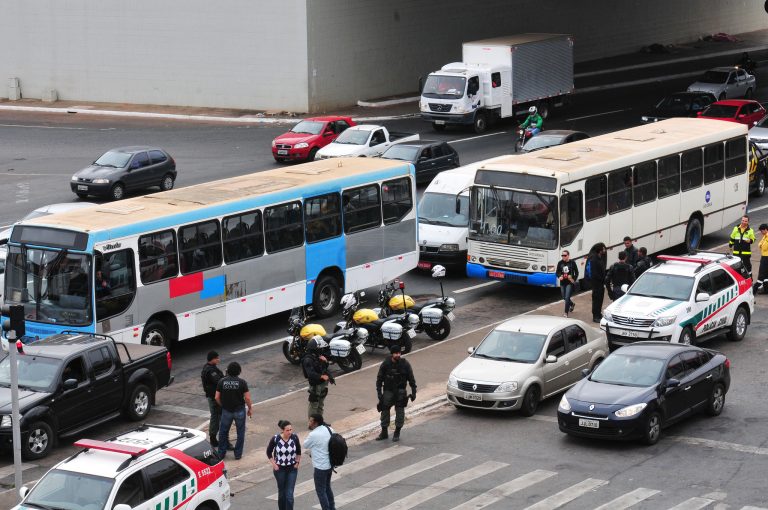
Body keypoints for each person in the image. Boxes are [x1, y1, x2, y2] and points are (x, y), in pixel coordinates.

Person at [376, 345, 417, 442]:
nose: (398, 355)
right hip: (388, 391)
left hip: (400, 391)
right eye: (396, 353)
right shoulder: (386, 364)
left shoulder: (405, 364)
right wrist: (379, 393)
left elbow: (411, 379)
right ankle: (384, 432)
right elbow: (379, 379)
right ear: (392, 354)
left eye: (399, 353)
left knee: (400, 412)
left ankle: (397, 432)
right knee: (384, 410)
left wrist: (414, 392)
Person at [215, 361, 252, 460]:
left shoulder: (221, 382)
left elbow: (216, 397)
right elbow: (247, 398)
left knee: (223, 432)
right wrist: (250, 409)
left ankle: (221, 453)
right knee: (240, 432)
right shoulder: (242, 382)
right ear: (239, 371)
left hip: (227, 410)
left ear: (228, 371)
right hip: (239, 410)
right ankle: (238, 454)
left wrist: (223, 405)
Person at [267, 420, 302, 510]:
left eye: (291, 429)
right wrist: (274, 464)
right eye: (287, 430)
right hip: (280, 469)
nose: (290, 432)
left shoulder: (294, 437)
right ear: (282, 430)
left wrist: (297, 463)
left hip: (292, 469)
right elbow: (268, 452)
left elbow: (298, 451)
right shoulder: (276, 438)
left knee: (289, 494)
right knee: (282, 493)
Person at [304, 414, 335, 510]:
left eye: (310, 421)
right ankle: (332, 508)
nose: (309, 422)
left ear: (315, 423)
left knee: (321, 491)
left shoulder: (313, 434)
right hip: (330, 465)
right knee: (327, 488)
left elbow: (305, 445)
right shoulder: (330, 429)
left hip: (320, 467)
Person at [302, 337, 334, 419]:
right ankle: (312, 423)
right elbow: (310, 373)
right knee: (314, 404)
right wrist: (321, 376)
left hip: (322, 384)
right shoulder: (308, 359)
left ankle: (320, 421)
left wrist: (325, 361)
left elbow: (323, 368)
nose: (320, 350)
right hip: (315, 385)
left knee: (320, 404)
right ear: (314, 349)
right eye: (318, 348)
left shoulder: (317, 356)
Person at [201, 351, 226, 448]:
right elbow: (219, 381)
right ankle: (213, 438)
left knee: (216, 417)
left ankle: (214, 437)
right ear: (213, 359)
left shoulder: (209, 368)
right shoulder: (210, 370)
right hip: (214, 398)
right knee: (215, 418)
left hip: (213, 397)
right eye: (217, 358)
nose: (218, 360)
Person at [555, 250, 578, 317]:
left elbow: (576, 272)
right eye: (562, 255)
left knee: (567, 297)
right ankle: (572, 304)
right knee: (564, 297)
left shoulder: (572, 263)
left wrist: (573, 278)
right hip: (562, 282)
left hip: (569, 283)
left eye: (565, 255)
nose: (563, 257)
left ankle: (566, 313)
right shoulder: (560, 263)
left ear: (568, 256)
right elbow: (557, 272)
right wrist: (559, 276)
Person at [588, 243, 607, 323]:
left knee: (600, 299)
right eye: (603, 249)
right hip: (597, 284)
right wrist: (602, 279)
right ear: (599, 250)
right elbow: (595, 273)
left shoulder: (600, 258)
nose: (604, 250)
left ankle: (599, 314)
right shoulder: (594, 259)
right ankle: (595, 316)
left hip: (601, 283)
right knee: (596, 300)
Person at [756, 223, 768, 294]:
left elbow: (764, 247)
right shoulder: (765, 236)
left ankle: (756, 287)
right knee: (766, 275)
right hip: (764, 256)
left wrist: (761, 245)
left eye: (761, 231)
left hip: (766, 257)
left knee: (762, 273)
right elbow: (759, 244)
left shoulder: (767, 237)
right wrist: (761, 245)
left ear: (765, 230)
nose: (761, 232)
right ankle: (766, 289)